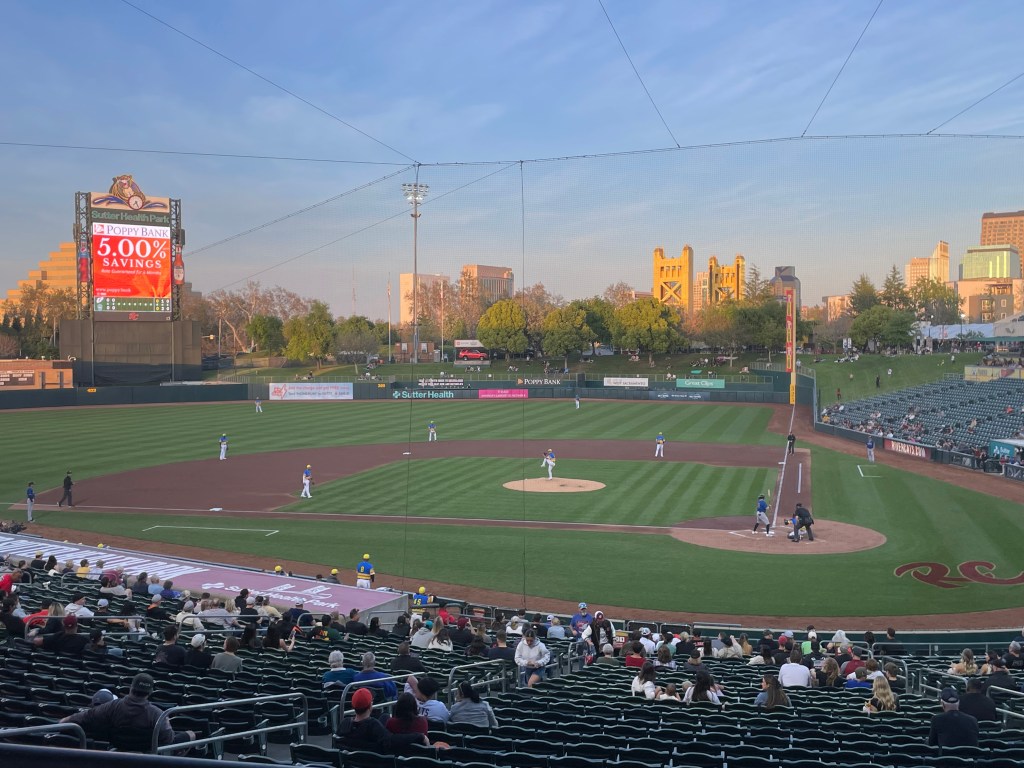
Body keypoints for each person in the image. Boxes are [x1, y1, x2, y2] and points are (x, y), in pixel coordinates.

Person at [61, 673, 195, 751]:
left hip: (119, 750)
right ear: (149, 693)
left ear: (131, 688)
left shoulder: (112, 706)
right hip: (148, 756)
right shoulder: (158, 714)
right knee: (191, 735)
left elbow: (84, 717)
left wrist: (63, 722)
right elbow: (168, 740)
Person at [337, 688, 426, 752]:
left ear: (353, 706)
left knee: (385, 716)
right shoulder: (373, 725)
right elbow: (392, 740)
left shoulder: (345, 723)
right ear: (370, 705)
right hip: (370, 763)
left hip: (353, 762)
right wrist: (419, 736)